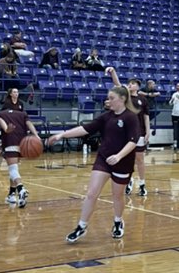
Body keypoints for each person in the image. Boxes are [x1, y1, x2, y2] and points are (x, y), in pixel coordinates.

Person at [49, 85, 141, 242]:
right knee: (91, 193)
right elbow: (85, 129)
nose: (108, 101)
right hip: (104, 159)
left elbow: (133, 141)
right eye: (108, 98)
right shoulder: (106, 117)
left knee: (117, 196)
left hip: (122, 162)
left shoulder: (131, 117)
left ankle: (118, 221)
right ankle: (81, 226)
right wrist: (62, 135)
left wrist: (119, 156)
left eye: (111, 98)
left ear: (122, 99)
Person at [107, 67, 151, 197]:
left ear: (138, 86)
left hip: (140, 133)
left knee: (140, 159)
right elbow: (117, 85)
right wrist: (113, 72)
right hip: (126, 132)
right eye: (129, 83)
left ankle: (142, 184)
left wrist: (148, 132)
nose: (130, 85)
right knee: (126, 158)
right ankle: (129, 180)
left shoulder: (143, 100)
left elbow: (146, 117)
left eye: (133, 83)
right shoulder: (125, 96)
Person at [0, 91, 39, 208]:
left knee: (13, 170)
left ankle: (21, 188)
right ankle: (12, 195)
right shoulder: (23, 114)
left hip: (10, 142)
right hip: (22, 143)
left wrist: (8, 130)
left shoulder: (0, 114)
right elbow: (29, 124)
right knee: (15, 169)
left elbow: (5, 128)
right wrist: (37, 136)